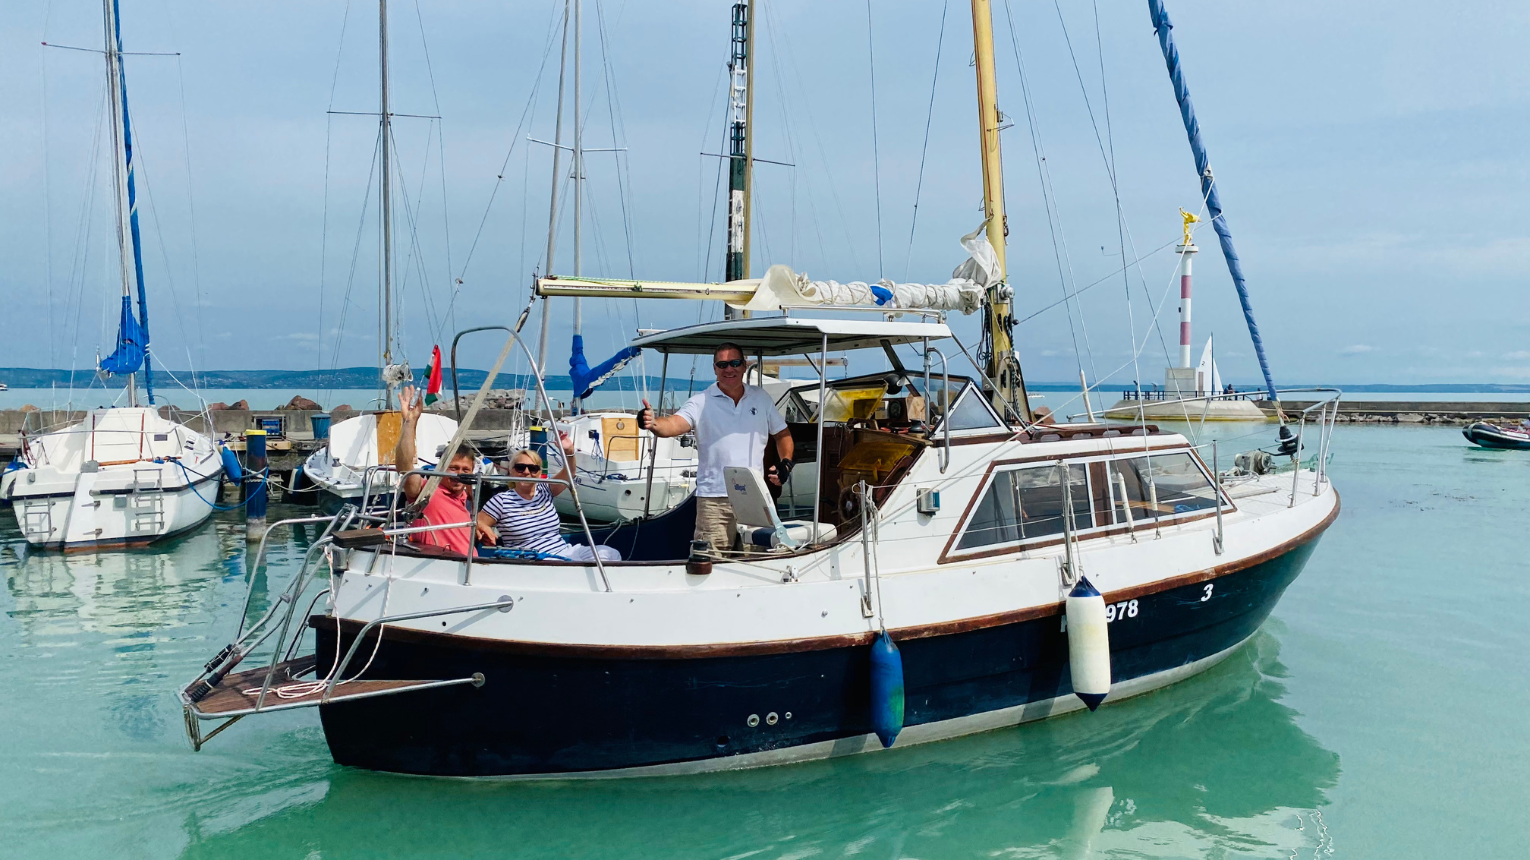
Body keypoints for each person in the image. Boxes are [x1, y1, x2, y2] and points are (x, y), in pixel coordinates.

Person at [638, 342, 794, 556]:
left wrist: (786, 463)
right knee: (710, 561)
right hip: (714, 500)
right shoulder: (700, 402)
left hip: (754, 498)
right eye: (722, 365)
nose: (729, 369)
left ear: (744, 365)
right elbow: (673, 424)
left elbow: (783, 435)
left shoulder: (761, 398)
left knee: (757, 561)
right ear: (715, 369)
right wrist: (653, 423)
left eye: (734, 363)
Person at [477, 443, 622, 562]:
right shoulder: (501, 501)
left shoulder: (545, 490)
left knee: (610, 553)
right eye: (520, 467)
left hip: (564, 551)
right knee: (561, 566)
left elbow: (569, 473)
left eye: (533, 468)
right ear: (511, 470)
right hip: (533, 558)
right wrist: (484, 529)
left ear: (539, 473)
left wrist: (569, 452)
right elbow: (476, 522)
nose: (526, 472)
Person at [395, 384, 495, 556]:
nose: (459, 474)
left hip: (471, 564)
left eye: (465, 470)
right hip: (444, 566)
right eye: (453, 468)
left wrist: (478, 524)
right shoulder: (425, 493)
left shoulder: (466, 498)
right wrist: (410, 423)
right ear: (441, 468)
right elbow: (405, 468)